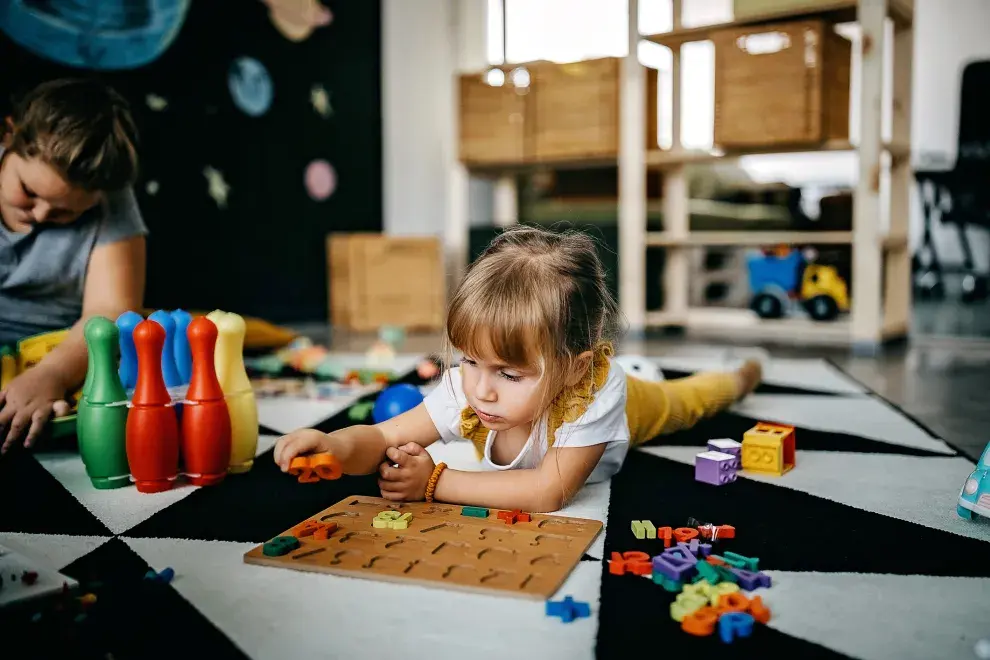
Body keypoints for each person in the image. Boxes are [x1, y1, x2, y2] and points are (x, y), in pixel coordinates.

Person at [274, 226, 762, 512]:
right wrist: (337, 447)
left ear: (574, 369)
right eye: (469, 361)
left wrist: (433, 483)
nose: (481, 391)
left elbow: (547, 490)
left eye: (510, 374)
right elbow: (382, 438)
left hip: (637, 402)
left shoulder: (591, 392)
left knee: (692, 400)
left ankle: (739, 376)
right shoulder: (473, 387)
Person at [0, 78, 146, 454]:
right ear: (9, 135)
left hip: (65, 351)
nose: (41, 214)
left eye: (66, 212)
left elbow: (110, 310)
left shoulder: (111, 197)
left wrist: (51, 375)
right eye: (29, 192)